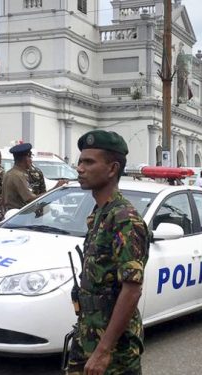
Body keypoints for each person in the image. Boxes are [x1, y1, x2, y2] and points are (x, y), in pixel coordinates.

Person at [66, 130, 150, 374]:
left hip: (115, 349)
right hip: (88, 334)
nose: (80, 168)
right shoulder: (100, 213)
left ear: (112, 169)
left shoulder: (125, 219)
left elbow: (132, 290)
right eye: (80, 161)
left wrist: (103, 351)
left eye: (89, 162)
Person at [2, 143, 38, 211]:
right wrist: (53, 190)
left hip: (13, 215)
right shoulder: (18, 176)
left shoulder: (10, 173)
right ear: (26, 158)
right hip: (19, 216)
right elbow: (30, 199)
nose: (31, 160)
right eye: (30, 157)